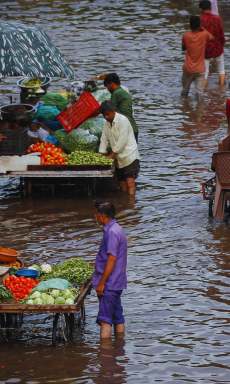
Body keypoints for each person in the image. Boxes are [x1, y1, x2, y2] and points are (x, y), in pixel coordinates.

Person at [93, 201, 128, 340]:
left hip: (109, 284)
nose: (94, 216)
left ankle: (105, 355)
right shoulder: (118, 229)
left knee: (105, 320)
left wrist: (102, 283)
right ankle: (119, 349)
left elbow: (111, 259)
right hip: (117, 282)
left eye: (96, 213)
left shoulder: (112, 233)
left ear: (102, 216)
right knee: (117, 317)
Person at [99, 101, 140, 195]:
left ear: (114, 111)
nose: (106, 117)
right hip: (118, 157)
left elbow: (122, 142)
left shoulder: (123, 120)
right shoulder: (107, 124)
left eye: (108, 114)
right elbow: (104, 140)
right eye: (104, 115)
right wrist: (100, 155)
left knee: (130, 183)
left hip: (129, 155)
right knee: (121, 183)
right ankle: (125, 204)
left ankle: (130, 205)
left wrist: (109, 157)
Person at [181, 16, 214, 99]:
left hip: (188, 69)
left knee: (184, 92)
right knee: (199, 94)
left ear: (189, 25)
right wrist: (202, 28)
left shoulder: (185, 36)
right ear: (199, 25)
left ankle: (184, 109)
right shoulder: (204, 35)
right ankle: (200, 110)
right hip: (200, 69)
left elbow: (183, 48)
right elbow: (213, 38)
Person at [103, 73, 139, 142]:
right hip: (133, 128)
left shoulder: (116, 93)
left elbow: (108, 110)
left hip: (126, 130)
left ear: (112, 84)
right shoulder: (124, 92)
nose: (108, 89)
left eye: (107, 87)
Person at [200, 0, 226, 86]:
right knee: (221, 69)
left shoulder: (199, 20)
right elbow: (221, 33)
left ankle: (204, 92)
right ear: (211, 8)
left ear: (200, 9)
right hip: (217, 46)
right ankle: (222, 90)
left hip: (205, 49)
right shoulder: (217, 18)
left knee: (205, 73)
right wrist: (222, 43)